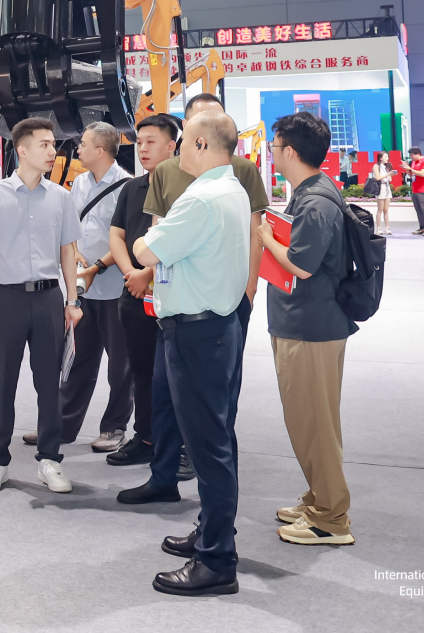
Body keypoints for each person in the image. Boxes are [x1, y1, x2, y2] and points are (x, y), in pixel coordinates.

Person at [127, 110, 251, 597]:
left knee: (208, 446)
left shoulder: (200, 198)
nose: (177, 154)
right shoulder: (232, 189)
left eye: (182, 145)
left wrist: (146, 238)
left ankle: (217, 560)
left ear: (201, 145)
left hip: (197, 332)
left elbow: (145, 252)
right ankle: (213, 531)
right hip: (218, 326)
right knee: (217, 438)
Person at [141, 92, 268, 477]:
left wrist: (248, 290)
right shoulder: (172, 173)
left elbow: (254, 233)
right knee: (167, 394)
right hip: (177, 303)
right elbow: (157, 232)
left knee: (213, 411)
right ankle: (164, 475)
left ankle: (208, 493)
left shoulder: (233, 177)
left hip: (212, 308)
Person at [255, 112, 357, 546]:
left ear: (291, 152)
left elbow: (301, 265)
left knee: (314, 424)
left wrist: (265, 237)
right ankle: (319, 499)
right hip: (304, 323)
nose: (272, 153)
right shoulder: (312, 192)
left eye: (275, 147)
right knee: (308, 421)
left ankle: (330, 519)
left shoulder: (316, 202)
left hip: (311, 327)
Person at [0, 117, 83, 495]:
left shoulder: (61, 197)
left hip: (49, 298)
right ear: (22, 149)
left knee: (49, 383)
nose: (53, 151)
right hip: (7, 297)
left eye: (53, 144)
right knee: (2, 381)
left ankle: (49, 459)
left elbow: (68, 252)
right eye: (45, 144)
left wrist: (72, 299)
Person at [22, 121, 131, 452]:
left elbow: (127, 239)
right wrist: (75, 253)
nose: (77, 148)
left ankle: (114, 428)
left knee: (121, 366)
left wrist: (97, 267)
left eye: (83, 144)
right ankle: (62, 425)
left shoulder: (127, 186)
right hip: (81, 291)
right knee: (75, 360)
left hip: (115, 289)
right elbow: (71, 226)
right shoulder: (80, 182)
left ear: (100, 150)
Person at [106, 115, 179, 469]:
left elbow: (178, 242)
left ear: (172, 146)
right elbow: (116, 234)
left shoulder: (185, 189)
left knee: (173, 377)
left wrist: (147, 273)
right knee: (141, 372)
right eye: (139, 142)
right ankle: (146, 438)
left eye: (151, 141)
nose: (143, 149)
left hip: (170, 297)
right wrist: (131, 273)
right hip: (134, 296)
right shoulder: (132, 188)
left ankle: (178, 445)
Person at [398, 147, 424, 236]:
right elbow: (412, 175)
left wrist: (410, 169)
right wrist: (406, 169)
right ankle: (422, 227)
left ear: (418, 154)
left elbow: (423, 174)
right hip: (415, 189)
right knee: (418, 210)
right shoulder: (414, 162)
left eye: (412, 155)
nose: (411, 157)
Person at [369, 153, 394, 235]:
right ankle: (378, 228)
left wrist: (390, 175)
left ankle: (387, 228)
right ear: (380, 158)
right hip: (380, 188)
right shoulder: (376, 166)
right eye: (385, 156)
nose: (387, 158)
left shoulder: (387, 167)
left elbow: (390, 179)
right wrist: (388, 174)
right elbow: (378, 177)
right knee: (380, 209)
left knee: (386, 210)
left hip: (387, 188)